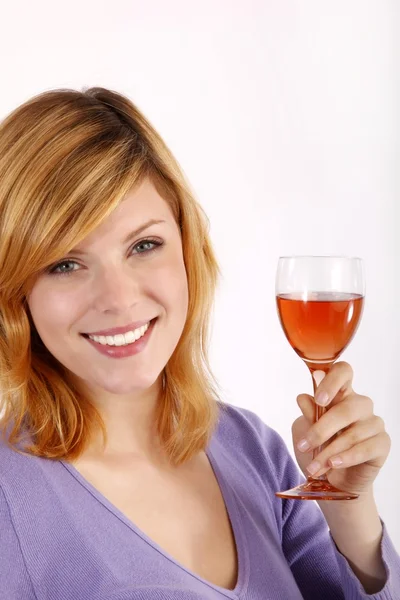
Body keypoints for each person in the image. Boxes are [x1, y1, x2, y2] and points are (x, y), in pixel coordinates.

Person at [0, 87, 398, 600]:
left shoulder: (253, 448)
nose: (119, 299)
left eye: (144, 245)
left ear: (187, 251)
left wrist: (354, 518)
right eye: (64, 264)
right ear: (15, 292)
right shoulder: (11, 500)